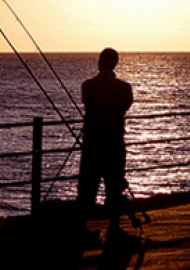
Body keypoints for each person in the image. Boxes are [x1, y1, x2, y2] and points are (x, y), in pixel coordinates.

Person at [76, 48, 134, 241]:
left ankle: (82, 228)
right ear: (115, 63)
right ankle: (114, 228)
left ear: (100, 62)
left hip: (92, 145)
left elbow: (88, 104)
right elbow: (125, 106)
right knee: (114, 187)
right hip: (114, 144)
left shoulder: (88, 86)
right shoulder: (124, 88)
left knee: (87, 189)